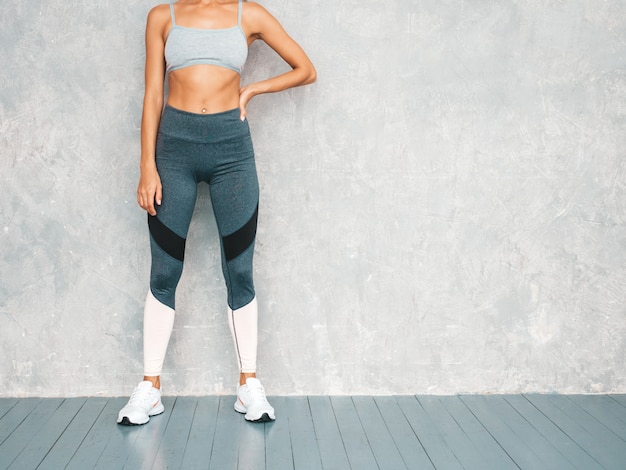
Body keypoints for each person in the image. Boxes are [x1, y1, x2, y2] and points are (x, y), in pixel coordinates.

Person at [117, 0, 316, 425]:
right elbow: (154, 93)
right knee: (164, 272)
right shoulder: (162, 16)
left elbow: (306, 69)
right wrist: (146, 165)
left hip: (232, 150)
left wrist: (253, 89)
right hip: (174, 149)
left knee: (240, 269)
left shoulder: (251, 14)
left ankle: (248, 385)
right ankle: (149, 389)